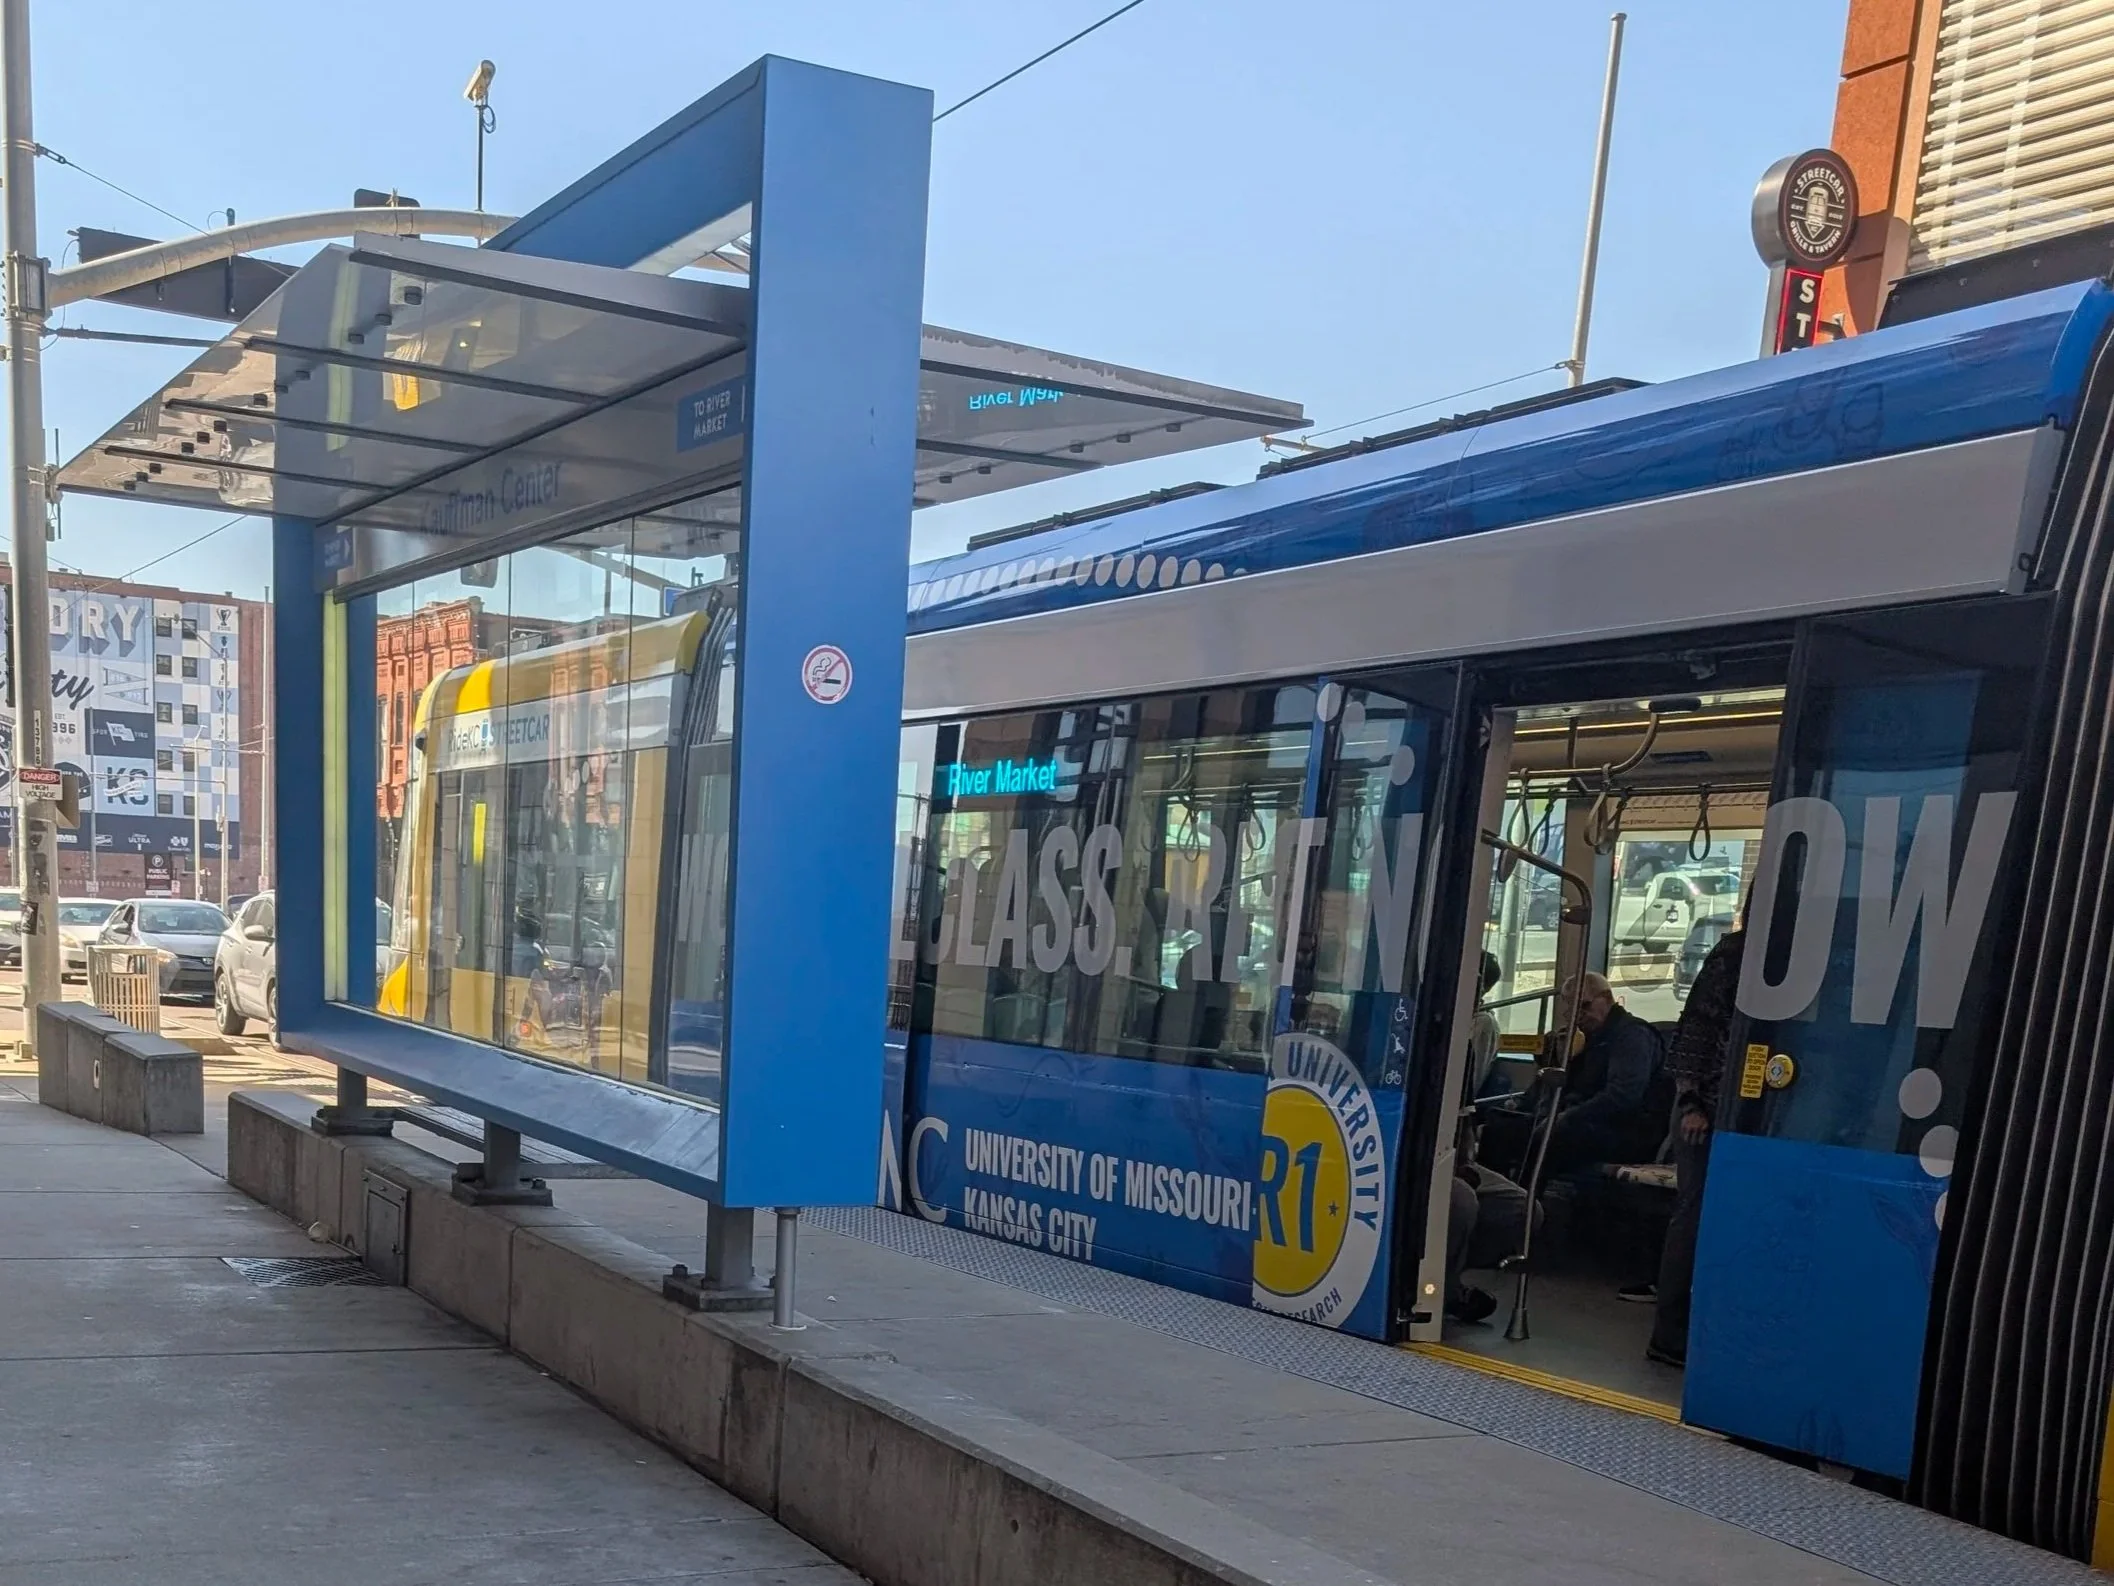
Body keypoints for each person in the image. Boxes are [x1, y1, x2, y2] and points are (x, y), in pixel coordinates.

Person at [1639, 919, 1746, 1367]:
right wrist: (1690, 1103)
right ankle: (1670, 1333)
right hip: (1705, 1107)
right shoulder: (1733, 955)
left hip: (1742, 1110)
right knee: (1694, 1215)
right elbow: (1695, 1033)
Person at [1539, 971, 1664, 1178]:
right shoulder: (1592, 1038)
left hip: (1629, 1129)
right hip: (1596, 1120)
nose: (1578, 1015)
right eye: (1572, 1009)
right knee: (1510, 1127)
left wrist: (1570, 1115)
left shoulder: (1632, 1036)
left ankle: (1527, 1194)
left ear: (1606, 999)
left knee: (1548, 1136)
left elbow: (1623, 1096)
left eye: (1584, 1006)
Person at [1446, 1156, 1537, 1324]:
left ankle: (1449, 1270)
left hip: (1457, 1156)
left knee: (1526, 1209)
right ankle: (1446, 1290)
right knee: (1461, 1200)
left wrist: (1462, 1160)